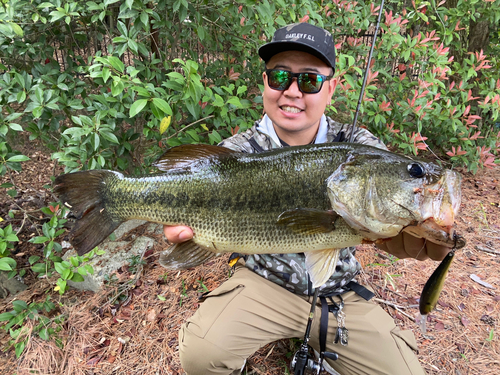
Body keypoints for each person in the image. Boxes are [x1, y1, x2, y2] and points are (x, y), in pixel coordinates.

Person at [164, 23, 450, 375]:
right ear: (264, 84)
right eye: (280, 77)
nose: (292, 92)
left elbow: (384, 229)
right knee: (201, 354)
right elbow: (197, 219)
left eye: (310, 80)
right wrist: (183, 227)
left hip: (339, 293)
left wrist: (417, 237)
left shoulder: (362, 151)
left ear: (331, 89)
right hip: (262, 282)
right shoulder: (235, 154)